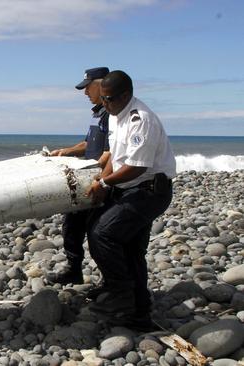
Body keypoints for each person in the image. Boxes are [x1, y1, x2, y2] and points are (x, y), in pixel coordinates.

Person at [86, 70, 176, 329]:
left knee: (103, 234)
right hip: (130, 188)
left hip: (149, 191)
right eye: (102, 99)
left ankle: (120, 294)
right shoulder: (115, 114)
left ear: (126, 95)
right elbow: (115, 155)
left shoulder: (141, 120)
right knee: (130, 249)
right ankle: (139, 313)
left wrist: (103, 183)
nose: (104, 104)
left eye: (110, 99)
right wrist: (102, 182)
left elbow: (136, 166)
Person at [47, 67, 111, 285]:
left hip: (100, 180)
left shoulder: (111, 114)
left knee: (98, 233)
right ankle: (74, 269)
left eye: (88, 88)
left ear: (102, 85)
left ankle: (109, 280)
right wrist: (65, 151)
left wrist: (97, 178)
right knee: (71, 225)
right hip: (88, 177)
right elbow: (88, 144)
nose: (85, 93)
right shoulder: (97, 113)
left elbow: (110, 152)